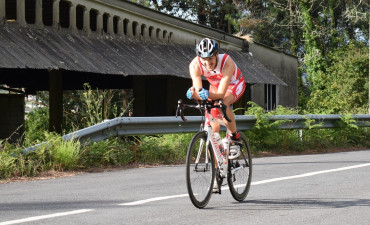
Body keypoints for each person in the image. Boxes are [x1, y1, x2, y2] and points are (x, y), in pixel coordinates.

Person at [186, 37, 245, 158]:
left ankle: (234, 137)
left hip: (234, 84)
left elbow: (220, 95)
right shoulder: (194, 65)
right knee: (213, 132)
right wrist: (194, 94)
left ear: (217, 54)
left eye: (211, 58)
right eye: (204, 59)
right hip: (214, 86)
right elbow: (198, 88)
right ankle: (217, 171)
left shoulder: (227, 62)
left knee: (221, 103)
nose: (208, 63)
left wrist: (206, 94)